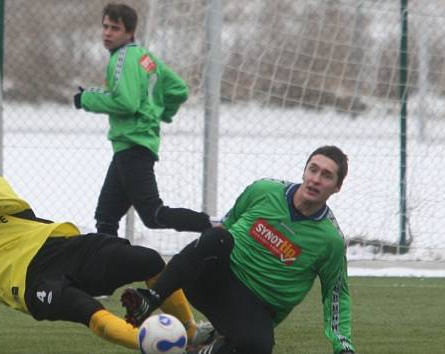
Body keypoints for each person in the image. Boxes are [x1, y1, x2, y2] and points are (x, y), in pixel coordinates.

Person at [0, 155, 214, 353]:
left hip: (63, 247)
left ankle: (191, 332)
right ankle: (153, 346)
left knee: (149, 260)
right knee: (91, 312)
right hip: (33, 283)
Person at [122, 146, 357, 354]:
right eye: (313, 169)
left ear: (337, 187)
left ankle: (207, 347)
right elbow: (225, 225)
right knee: (218, 237)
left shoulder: (331, 240)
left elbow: (335, 295)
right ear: (304, 171)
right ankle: (149, 300)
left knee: (258, 347)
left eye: (326, 176)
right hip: (213, 283)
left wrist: (343, 346)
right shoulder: (263, 190)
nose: (316, 179)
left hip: (256, 309)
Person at [74, 3, 211, 236]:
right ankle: (111, 269)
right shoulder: (144, 57)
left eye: (115, 28)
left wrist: (86, 98)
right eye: (105, 26)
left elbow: (126, 103)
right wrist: (159, 112)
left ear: (129, 32)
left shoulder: (122, 57)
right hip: (131, 146)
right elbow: (178, 89)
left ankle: (213, 225)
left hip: (132, 147)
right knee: (106, 218)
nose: (107, 33)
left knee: (153, 215)